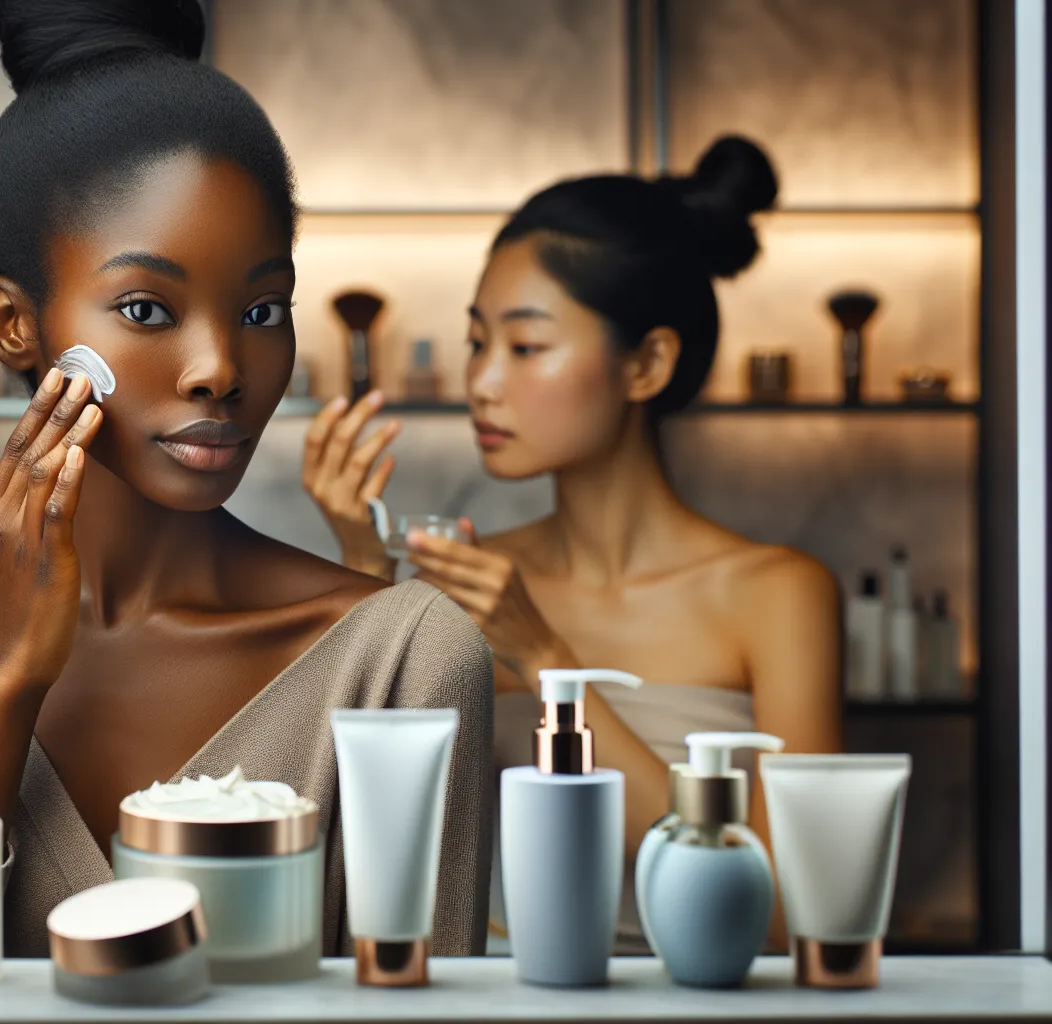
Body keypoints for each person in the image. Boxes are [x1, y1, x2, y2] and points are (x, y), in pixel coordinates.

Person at [0, 0, 494, 961]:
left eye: (263, 308)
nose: (221, 368)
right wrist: (3, 686)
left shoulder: (404, 663)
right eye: (148, 308)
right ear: (13, 322)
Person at [302, 136, 842, 952]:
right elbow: (353, 857)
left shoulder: (778, 596)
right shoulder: (463, 583)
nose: (481, 380)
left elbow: (785, 916)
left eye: (525, 347)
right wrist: (364, 573)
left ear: (648, 364)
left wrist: (545, 658)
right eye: (478, 341)